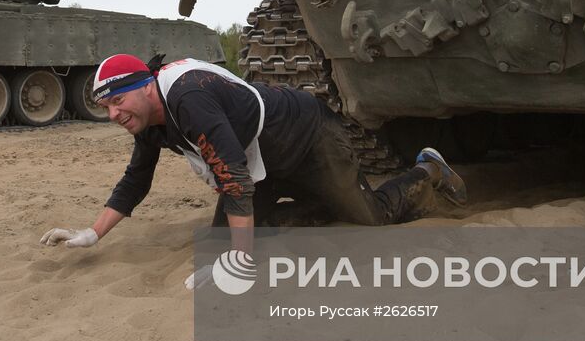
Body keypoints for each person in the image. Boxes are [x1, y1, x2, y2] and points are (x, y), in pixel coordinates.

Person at [40, 54, 466, 271]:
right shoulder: (149, 121)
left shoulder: (188, 98)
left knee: (372, 217)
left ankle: (426, 168)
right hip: (261, 160)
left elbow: (233, 177)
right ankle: (324, 205)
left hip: (308, 138)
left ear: (146, 87)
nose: (114, 115)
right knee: (224, 241)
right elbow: (137, 179)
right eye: (106, 108)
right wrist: (94, 234)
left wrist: (240, 264)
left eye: (118, 102)